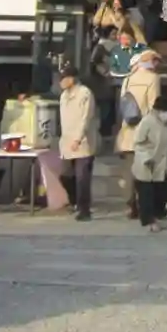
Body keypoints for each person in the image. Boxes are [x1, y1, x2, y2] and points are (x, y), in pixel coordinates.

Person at [116, 49, 162, 218]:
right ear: (152, 62)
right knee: (145, 172)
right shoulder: (153, 79)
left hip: (128, 130)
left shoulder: (128, 79)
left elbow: (123, 105)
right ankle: (145, 206)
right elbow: (154, 106)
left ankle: (130, 205)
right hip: (145, 131)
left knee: (129, 171)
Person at [57, 61, 99, 220]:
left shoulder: (85, 93)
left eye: (63, 78)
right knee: (65, 175)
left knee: (82, 177)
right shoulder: (63, 96)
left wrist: (78, 138)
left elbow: (86, 118)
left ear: (72, 78)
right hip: (67, 140)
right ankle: (75, 201)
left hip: (82, 141)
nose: (61, 82)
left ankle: (84, 209)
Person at [132, 92, 167, 232]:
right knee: (146, 194)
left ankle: (157, 216)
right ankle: (148, 220)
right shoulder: (147, 121)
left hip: (162, 165)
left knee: (160, 193)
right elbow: (138, 142)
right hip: (147, 164)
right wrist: (146, 157)